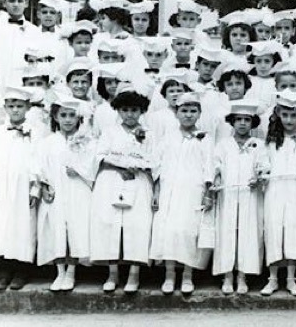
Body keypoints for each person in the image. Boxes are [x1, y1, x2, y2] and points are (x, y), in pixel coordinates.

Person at [89, 83, 155, 294]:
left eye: (134, 110)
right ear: (118, 111)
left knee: (137, 226)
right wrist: (120, 166)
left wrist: (140, 167)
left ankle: (134, 274)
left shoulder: (148, 134)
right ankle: (112, 273)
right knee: (110, 224)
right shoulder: (110, 132)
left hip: (139, 180)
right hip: (111, 181)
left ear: (141, 111)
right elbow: (100, 156)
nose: (129, 115)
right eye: (125, 110)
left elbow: (155, 159)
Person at [150, 92, 214, 295]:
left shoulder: (205, 138)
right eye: (184, 111)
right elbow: (157, 165)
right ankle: (169, 275)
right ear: (176, 113)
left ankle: (187, 275)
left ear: (199, 113)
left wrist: (208, 192)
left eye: (193, 111)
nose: (188, 115)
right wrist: (157, 191)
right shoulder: (167, 137)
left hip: (192, 191)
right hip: (170, 190)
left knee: (189, 232)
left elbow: (209, 166)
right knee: (169, 231)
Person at [0, 86, 42, 291]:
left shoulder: (36, 133)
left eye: (20, 106)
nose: (15, 110)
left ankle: (22, 270)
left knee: (23, 227)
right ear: (5, 107)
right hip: (3, 188)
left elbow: (39, 162)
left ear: (27, 108)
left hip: (24, 189)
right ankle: (3, 270)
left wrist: (35, 189)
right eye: (11, 106)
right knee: (3, 227)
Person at [35, 93, 95, 292]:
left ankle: (71, 271)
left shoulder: (87, 141)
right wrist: (44, 186)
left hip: (78, 189)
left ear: (79, 118)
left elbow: (93, 166)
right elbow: (39, 168)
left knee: (76, 228)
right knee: (57, 229)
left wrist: (78, 169)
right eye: (64, 115)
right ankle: (59, 271)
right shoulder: (48, 142)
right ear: (55, 117)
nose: (68, 120)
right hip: (56, 190)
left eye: (72, 115)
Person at [260, 90, 296, 297]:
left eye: (293, 115)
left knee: (293, 230)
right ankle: (272, 278)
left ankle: (291, 279)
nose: (289, 120)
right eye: (285, 115)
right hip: (275, 191)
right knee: (274, 229)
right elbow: (263, 162)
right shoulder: (271, 141)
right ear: (278, 116)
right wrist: (264, 171)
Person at [212, 100, 267, 294]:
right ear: (232, 122)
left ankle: (243, 276)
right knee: (226, 232)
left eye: (247, 120)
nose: (243, 123)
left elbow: (264, 167)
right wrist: (216, 179)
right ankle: (227, 275)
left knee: (248, 233)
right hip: (227, 195)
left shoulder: (259, 145)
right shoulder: (223, 145)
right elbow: (215, 167)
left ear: (253, 123)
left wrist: (258, 177)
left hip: (250, 195)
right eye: (238, 119)